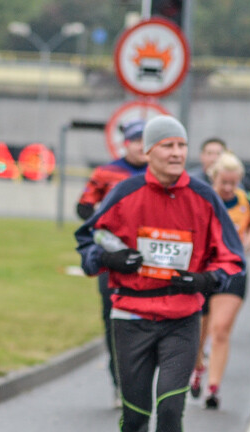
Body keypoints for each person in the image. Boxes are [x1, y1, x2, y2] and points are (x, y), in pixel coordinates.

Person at [75, 116, 245, 432]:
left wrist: (207, 279)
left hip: (182, 319)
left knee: (171, 407)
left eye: (181, 145)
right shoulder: (125, 192)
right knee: (135, 416)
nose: (176, 153)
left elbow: (232, 257)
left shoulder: (204, 197)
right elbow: (88, 240)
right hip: (131, 316)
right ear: (148, 151)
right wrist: (109, 258)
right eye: (167, 145)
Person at [76, 119, 148, 408]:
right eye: (136, 140)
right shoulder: (106, 172)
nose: (141, 146)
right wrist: (105, 227)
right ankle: (119, 383)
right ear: (125, 144)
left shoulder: (158, 174)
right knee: (113, 320)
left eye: (146, 141)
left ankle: (144, 381)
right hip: (113, 259)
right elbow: (83, 207)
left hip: (150, 259)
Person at [189, 152, 250, 408]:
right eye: (224, 182)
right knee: (198, 331)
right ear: (214, 178)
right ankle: (198, 366)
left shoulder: (246, 200)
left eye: (234, 182)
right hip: (203, 270)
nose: (229, 188)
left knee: (220, 329)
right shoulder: (201, 199)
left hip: (232, 271)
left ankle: (213, 388)